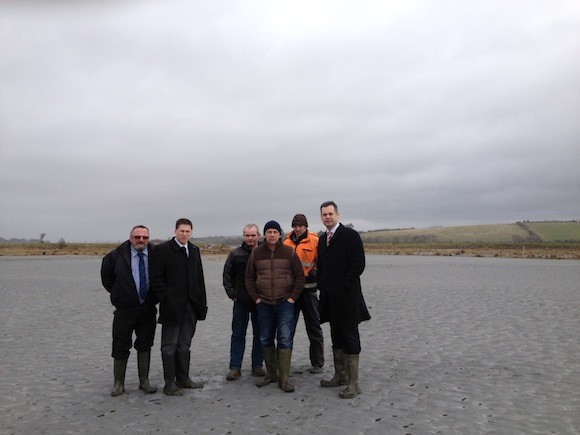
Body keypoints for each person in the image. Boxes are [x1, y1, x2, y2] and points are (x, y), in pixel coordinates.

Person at [317, 201, 370, 399]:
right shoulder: (323, 240)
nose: (328, 217)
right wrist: (322, 286)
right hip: (330, 299)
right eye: (324, 214)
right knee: (336, 336)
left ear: (338, 214)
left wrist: (345, 286)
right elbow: (322, 266)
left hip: (348, 298)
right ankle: (339, 376)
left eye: (331, 213)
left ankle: (353, 384)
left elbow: (358, 265)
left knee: (350, 338)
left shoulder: (350, 236)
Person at [245, 220, 305, 392]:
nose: (272, 235)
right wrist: (256, 298)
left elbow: (299, 277)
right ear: (264, 234)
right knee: (265, 338)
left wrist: (292, 298)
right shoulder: (256, 253)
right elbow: (249, 278)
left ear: (280, 234)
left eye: (275, 232)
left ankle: (284, 378)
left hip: (285, 302)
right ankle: (272, 373)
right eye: (269, 232)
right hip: (263, 303)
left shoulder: (289, 252)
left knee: (285, 338)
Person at [151, 218, 208, 396]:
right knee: (169, 345)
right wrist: (165, 297)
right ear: (175, 230)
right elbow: (157, 279)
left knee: (184, 344)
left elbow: (199, 278)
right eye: (181, 231)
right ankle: (170, 383)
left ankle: (184, 379)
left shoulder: (194, 250)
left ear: (191, 232)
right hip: (172, 306)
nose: (184, 234)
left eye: (187, 231)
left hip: (191, 306)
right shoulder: (162, 250)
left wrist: (201, 302)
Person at [101, 225, 158, 397]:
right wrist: (121, 294)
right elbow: (107, 280)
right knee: (120, 344)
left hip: (147, 308)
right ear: (130, 237)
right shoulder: (114, 256)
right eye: (137, 237)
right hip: (124, 309)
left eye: (145, 237)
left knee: (145, 343)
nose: (141, 240)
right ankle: (119, 383)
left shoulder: (156, 255)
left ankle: (144, 381)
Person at [222, 224, 265, 381]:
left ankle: (257, 365)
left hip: (260, 301)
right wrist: (232, 294)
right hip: (240, 301)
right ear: (243, 236)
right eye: (247, 235)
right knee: (238, 334)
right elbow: (227, 276)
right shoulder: (235, 254)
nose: (250, 238)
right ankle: (235, 367)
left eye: (253, 235)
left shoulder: (264, 253)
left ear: (259, 235)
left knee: (259, 335)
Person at [283, 213, 324, 374]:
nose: (298, 228)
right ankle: (285, 363)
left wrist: (311, 274)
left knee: (314, 327)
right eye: (295, 226)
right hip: (292, 293)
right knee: (288, 329)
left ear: (306, 226)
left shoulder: (315, 241)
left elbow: (321, 263)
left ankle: (317, 363)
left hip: (309, 291)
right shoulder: (286, 242)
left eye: (300, 225)